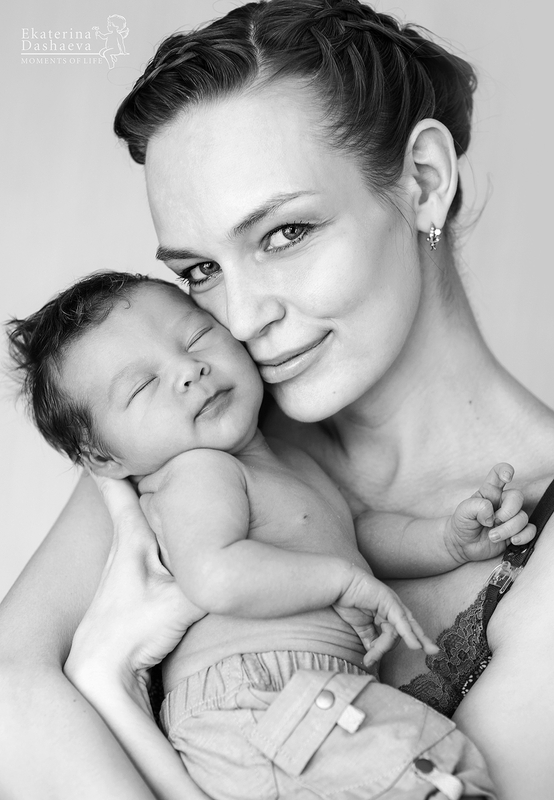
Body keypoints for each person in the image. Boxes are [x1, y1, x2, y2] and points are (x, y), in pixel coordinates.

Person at [2, 2, 554, 799]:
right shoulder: (202, 431)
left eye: (285, 234)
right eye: (199, 272)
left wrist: (107, 687)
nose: (238, 319)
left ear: (425, 183)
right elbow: (9, 694)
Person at [9, 269, 531, 799]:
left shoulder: (283, 460)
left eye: (197, 337)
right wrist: (342, 584)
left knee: (441, 772)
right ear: (103, 458)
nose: (189, 370)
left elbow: (351, 536)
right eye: (143, 385)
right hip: (259, 700)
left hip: (296, 706)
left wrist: (444, 541)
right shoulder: (197, 472)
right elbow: (216, 574)